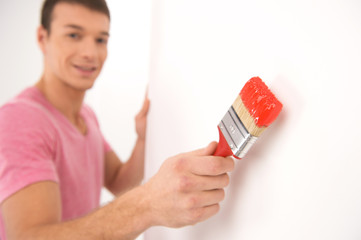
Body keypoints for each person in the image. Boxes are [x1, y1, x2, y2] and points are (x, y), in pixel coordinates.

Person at [0, 0, 234, 239]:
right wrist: (147, 204)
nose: (90, 53)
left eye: (100, 39)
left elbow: (119, 183)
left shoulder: (85, 116)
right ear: (42, 38)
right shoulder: (21, 119)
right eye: (74, 35)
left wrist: (143, 139)